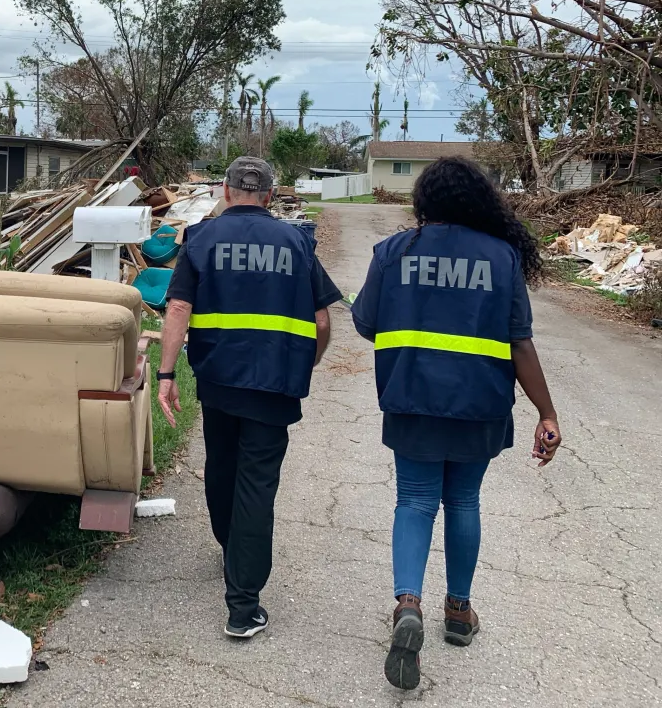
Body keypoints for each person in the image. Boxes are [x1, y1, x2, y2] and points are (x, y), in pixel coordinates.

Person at [349, 157, 561, 691]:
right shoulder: (502, 257)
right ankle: (460, 611)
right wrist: (546, 411)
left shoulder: (393, 252)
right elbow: (520, 342)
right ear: (477, 201)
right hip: (480, 404)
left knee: (415, 501)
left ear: (424, 202)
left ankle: (407, 604)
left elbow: (367, 323)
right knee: (464, 502)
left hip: (411, 397)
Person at [157, 156, 342, 639]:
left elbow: (178, 306)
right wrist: (310, 361)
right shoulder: (297, 242)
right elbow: (323, 321)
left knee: (221, 462)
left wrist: (165, 372)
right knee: (257, 483)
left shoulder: (201, 238)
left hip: (219, 379)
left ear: (225, 190)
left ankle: (229, 546)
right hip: (275, 382)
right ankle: (243, 606)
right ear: (270, 195)